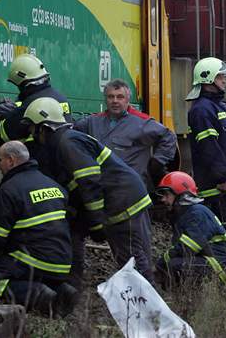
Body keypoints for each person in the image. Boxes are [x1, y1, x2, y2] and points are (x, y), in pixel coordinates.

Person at [21, 97, 154, 287]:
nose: (32, 135)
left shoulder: (67, 143)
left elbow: (89, 180)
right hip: (122, 197)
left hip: (123, 201)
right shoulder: (65, 141)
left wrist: (96, 222)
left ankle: (149, 308)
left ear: (44, 127)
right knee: (131, 256)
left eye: (33, 129)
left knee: (131, 260)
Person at [0, 141, 77, 316]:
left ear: (11, 160)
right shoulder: (53, 185)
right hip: (62, 262)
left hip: (33, 259)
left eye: (0, 159)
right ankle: (61, 290)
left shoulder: (10, 189)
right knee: (23, 269)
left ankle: (38, 295)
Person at [186, 57, 226, 275]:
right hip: (221, 187)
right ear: (208, 79)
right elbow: (209, 147)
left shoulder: (219, 105)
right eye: (221, 76)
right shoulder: (202, 110)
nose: (224, 80)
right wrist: (222, 177)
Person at [74, 79, 177, 190]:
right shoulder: (93, 122)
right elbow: (70, 133)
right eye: (110, 97)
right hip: (103, 187)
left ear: (128, 99)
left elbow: (168, 137)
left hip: (132, 189)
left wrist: (156, 163)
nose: (115, 101)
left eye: (120, 97)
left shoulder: (142, 122)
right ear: (105, 99)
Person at [155, 171, 226, 288]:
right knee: (171, 265)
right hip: (212, 262)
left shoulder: (197, 213)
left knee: (174, 265)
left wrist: (163, 260)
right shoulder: (185, 214)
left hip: (221, 267)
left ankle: (185, 301)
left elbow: (188, 247)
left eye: (166, 194)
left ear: (180, 193)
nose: (163, 199)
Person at [0, 54, 71, 164]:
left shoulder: (31, 104)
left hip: (40, 162)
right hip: (60, 160)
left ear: (23, 83)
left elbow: (4, 134)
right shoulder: (61, 97)